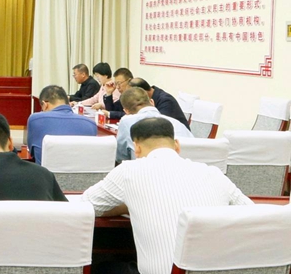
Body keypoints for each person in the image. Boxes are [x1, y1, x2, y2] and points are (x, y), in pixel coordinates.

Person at [82, 117, 253, 274]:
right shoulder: (214, 173)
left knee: (103, 267)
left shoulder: (128, 171)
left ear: (137, 148)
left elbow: (85, 206)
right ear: (177, 145)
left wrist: (127, 206)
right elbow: (253, 214)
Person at [115, 87, 194, 163]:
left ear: (126, 111)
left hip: (143, 170)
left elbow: (121, 157)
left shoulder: (127, 122)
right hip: (185, 169)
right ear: (152, 102)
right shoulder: (178, 124)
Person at [27, 85, 97, 164]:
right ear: (68, 102)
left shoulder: (35, 119)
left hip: (44, 171)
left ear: (44, 104)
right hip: (79, 171)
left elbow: (32, 152)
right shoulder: (91, 124)